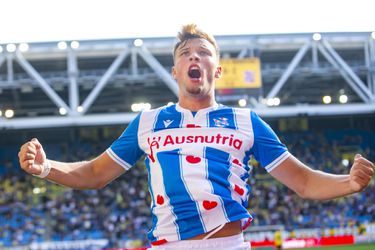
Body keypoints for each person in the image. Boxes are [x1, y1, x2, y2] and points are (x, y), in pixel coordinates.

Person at [18, 24, 374, 250]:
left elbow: (304, 182)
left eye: (203, 53)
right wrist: (46, 167)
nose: (194, 58)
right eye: (186, 54)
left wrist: (349, 182)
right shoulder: (148, 122)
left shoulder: (246, 121)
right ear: (175, 71)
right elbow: (95, 174)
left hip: (229, 244)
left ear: (216, 69)